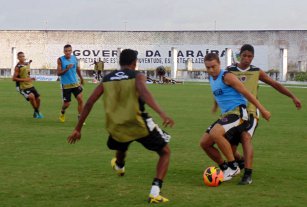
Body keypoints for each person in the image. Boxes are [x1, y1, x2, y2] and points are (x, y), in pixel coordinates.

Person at [67, 49, 174, 204]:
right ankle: (155, 192)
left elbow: (89, 102)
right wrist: (162, 113)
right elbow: (144, 93)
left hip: (116, 126)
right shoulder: (138, 76)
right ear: (134, 63)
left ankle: (119, 165)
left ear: (120, 62)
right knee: (165, 152)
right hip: (138, 124)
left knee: (122, 143)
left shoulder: (107, 78)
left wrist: (78, 128)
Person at [201, 44, 302, 185]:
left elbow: (274, 84)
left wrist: (292, 96)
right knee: (227, 146)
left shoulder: (256, 71)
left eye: (250, 56)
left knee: (245, 137)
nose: (247, 59)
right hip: (230, 113)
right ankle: (237, 163)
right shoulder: (228, 70)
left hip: (250, 111)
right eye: (244, 56)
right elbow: (220, 90)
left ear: (253, 57)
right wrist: (215, 105)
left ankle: (247, 173)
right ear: (239, 55)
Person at [199, 53, 271, 182]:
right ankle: (225, 167)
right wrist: (215, 105)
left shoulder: (227, 76)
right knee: (205, 143)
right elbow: (219, 93)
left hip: (238, 112)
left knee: (216, 133)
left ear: (219, 64)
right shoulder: (210, 78)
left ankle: (233, 167)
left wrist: (263, 110)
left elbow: (246, 93)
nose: (210, 70)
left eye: (213, 67)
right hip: (226, 114)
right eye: (207, 67)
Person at [57, 44, 84, 123]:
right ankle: (62, 112)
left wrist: (81, 78)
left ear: (71, 51)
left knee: (80, 99)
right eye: (66, 51)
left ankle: (80, 117)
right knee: (67, 104)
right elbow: (58, 73)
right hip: (66, 85)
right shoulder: (60, 60)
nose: (68, 52)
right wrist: (67, 68)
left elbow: (77, 69)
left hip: (75, 83)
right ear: (64, 52)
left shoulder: (74, 58)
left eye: (69, 51)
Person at [12, 52, 43, 118]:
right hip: (22, 87)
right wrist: (25, 79)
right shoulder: (18, 67)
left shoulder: (26, 64)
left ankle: (35, 112)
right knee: (31, 97)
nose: (22, 57)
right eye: (20, 57)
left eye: (23, 56)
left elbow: (28, 65)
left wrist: (30, 62)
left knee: (38, 99)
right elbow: (13, 78)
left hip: (30, 85)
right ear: (18, 58)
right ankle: (37, 112)